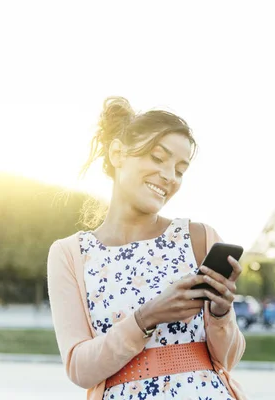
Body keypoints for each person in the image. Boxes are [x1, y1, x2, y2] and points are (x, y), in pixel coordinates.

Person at [47, 97, 247, 400]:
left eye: (180, 170)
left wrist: (221, 313)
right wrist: (146, 318)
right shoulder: (69, 254)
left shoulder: (199, 237)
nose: (170, 176)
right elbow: (80, 369)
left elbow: (227, 360)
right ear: (117, 153)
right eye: (157, 158)